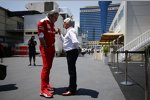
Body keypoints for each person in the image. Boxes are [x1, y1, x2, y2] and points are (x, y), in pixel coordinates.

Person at [37, 10, 59, 98]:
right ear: (50, 16)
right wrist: (45, 47)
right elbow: (41, 36)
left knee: (49, 67)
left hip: (51, 48)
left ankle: (46, 85)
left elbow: (51, 34)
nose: (56, 20)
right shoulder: (42, 22)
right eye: (55, 18)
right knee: (46, 67)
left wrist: (57, 31)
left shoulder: (52, 23)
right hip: (45, 48)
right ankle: (42, 90)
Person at [59, 18, 80, 96]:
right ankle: (72, 87)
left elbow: (75, 41)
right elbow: (65, 41)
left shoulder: (71, 31)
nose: (63, 24)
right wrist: (60, 34)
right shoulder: (70, 31)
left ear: (68, 23)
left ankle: (72, 90)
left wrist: (77, 49)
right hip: (71, 52)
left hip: (71, 52)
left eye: (64, 23)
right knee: (71, 71)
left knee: (71, 71)